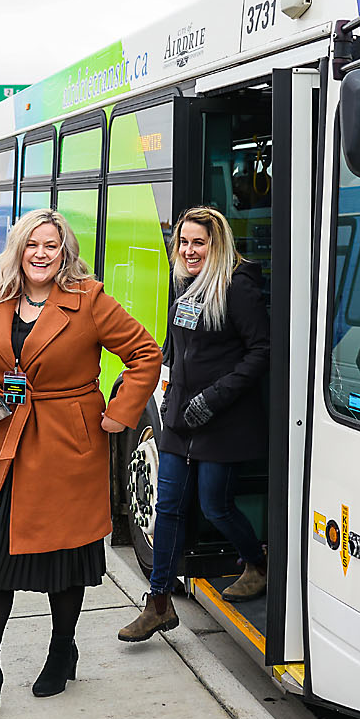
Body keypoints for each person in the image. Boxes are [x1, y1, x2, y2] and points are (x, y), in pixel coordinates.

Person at [0, 208, 161, 719]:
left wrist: (120, 414)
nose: (40, 254)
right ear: (18, 248)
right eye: (32, 244)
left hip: (66, 445)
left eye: (51, 246)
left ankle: (62, 648)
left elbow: (145, 352)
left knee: (63, 558)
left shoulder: (90, 300)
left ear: (64, 252)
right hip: (3, 442)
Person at [120, 207, 270, 642]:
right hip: (180, 416)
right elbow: (176, 346)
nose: (188, 250)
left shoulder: (238, 289)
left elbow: (261, 351)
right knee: (167, 508)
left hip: (222, 419)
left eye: (198, 242)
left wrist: (212, 398)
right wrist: (170, 389)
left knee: (214, 505)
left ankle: (256, 562)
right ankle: (159, 603)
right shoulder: (183, 286)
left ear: (216, 245)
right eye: (183, 242)